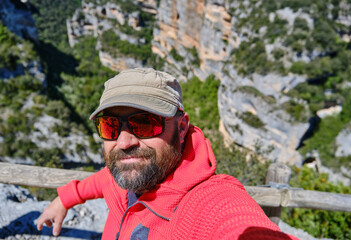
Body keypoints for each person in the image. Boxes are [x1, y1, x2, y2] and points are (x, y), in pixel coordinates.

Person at [37, 68, 298, 240]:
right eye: (110, 126)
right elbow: (102, 180)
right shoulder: (127, 173)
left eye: (145, 123)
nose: (124, 142)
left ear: (181, 128)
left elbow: (238, 223)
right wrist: (65, 199)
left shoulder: (207, 201)